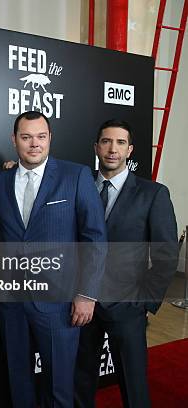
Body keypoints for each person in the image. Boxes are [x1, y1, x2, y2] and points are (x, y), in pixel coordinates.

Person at [0, 110, 107, 407]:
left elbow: (95, 238)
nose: (34, 144)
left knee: (58, 386)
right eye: (26, 137)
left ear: (50, 138)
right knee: (19, 382)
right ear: (14, 139)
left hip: (60, 303)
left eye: (41, 137)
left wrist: (87, 294)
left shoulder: (76, 175)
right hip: (11, 302)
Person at [74, 119, 178, 408]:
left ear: (130, 150)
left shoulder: (153, 194)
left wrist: (143, 301)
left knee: (133, 385)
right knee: (80, 382)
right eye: (106, 141)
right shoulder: (78, 188)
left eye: (120, 143)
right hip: (82, 306)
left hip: (127, 307)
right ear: (96, 147)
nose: (112, 149)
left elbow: (166, 253)